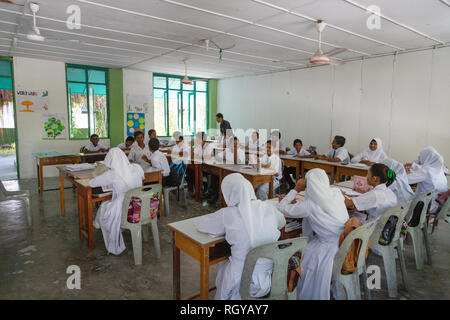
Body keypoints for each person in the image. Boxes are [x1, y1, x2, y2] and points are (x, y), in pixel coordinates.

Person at [196, 173, 286, 300]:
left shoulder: (228, 214)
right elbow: (282, 222)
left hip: (243, 281)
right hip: (270, 278)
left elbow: (202, 226)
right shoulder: (267, 207)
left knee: (224, 269)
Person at [276, 168, 348, 300]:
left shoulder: (309, 205)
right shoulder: (337, 193)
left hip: (327, 248)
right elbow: (320, 205)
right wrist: (299, 203)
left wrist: (296, 189)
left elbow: (281, 208)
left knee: (299, 253)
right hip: (344, 241)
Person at [89, 148, 144, 255]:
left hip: (124, 210)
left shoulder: (113, 174)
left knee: (104, 205)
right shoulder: (137, 168)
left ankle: (97, 224)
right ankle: (98, 224)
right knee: (108, 205)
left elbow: (92, 183)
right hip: (140, 207)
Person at [404, 146, 448, 213]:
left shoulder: (427, 171)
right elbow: (420, 169)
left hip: (424, 207)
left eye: (421, 156)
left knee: (398, 200)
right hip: (437, 206)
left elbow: (405, 180)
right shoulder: (440, 172)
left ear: (427, 157)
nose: (420, 158)